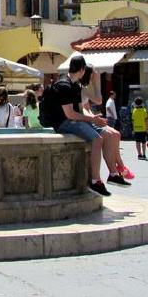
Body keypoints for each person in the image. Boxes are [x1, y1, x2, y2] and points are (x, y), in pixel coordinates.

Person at [51, 56, 129, 197]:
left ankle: (113, 173)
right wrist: (92, 119)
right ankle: (96, 180)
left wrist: (92, 119)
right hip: (64, 122)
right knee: (98, 139)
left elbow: (81, 110)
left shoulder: (74, 85)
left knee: (111, 135)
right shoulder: (66, 85)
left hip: (76, 119)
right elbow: (70, 114)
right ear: (82, 70)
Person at [80, 66, 134, 182]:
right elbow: (98, 101)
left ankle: (120, 165)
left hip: (89, 118)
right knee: (109, 135)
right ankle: (114, 171)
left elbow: (86, 106)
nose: (95, 76)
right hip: (84, 120)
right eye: (94, 74)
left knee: (116, 134)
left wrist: (94, 116)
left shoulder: (86, 87)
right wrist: (97, 82)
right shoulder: (82, 88)